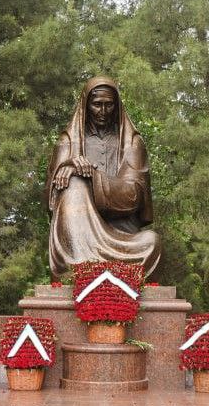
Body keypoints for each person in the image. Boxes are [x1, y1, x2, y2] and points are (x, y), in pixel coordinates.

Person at [45, 76, 161, 278]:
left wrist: (93, 177)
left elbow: (134, 194)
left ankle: (89, 267)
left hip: (122, 235)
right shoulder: (68, 143)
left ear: (117, 106)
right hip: (77, 233)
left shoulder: (133, 143)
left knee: (152, 242)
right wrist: (69, 167)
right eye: (97, 105)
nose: (103, 111)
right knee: (72, 182)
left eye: (109, 105)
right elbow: (52, 201)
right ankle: (83, 266)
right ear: (86, 105)